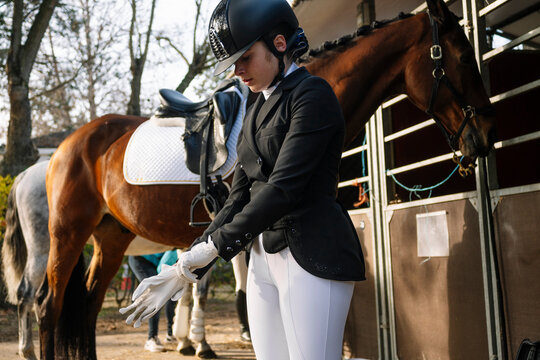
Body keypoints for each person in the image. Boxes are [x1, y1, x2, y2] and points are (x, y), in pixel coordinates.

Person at [121, 0, 366, 359]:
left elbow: (283, 188)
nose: (237, 71)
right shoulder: (255, 109)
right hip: (262, 258)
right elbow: (238, 198)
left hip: (313, 253)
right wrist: (185, 263)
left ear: (279, 44)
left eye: (245, 57)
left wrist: (211, 249)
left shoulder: (313, 96)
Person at [127, 251, 178, 352]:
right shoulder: (175, 252)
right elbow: (161, 270)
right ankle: (151, 339)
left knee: (172, 295)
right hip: (140, 258)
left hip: (154, 261)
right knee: (156, 293)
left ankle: (170, 334)